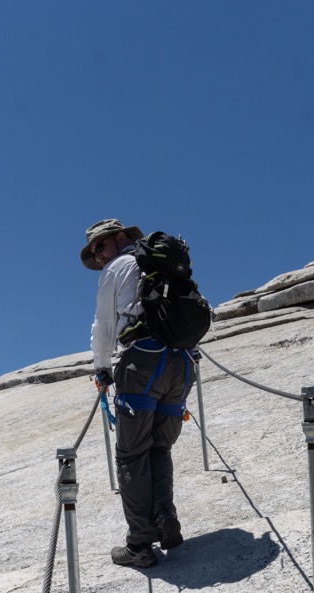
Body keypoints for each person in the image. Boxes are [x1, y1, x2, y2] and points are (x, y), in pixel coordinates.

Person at [81, 218, 195, 568]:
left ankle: (139, 544)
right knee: (159, 446)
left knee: (131, 454)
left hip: (142, 363)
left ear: (119, 239)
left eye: (100, 246)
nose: (98, 256)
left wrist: (101, 367)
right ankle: (166, 517)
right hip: (182, 363)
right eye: (95, 251)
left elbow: (103, 325)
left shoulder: (117, 268)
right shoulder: (162, 266)